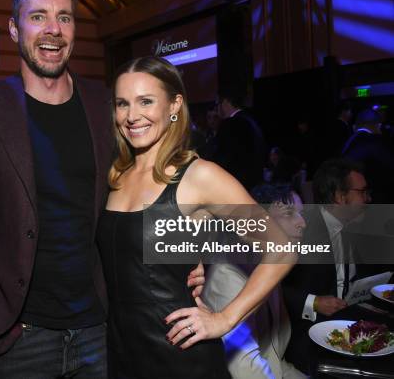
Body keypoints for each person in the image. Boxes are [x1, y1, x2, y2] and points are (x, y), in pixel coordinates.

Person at [0, 0, 206, 378]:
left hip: (102, 324)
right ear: (14, 29)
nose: (53, 29)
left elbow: (149, 184)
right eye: (37, 16)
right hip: (18, 332)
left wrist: (186, 246)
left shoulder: (106, 104)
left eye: (65, 17)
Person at [97, 56, 295, 379]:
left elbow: (282, 248)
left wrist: (225, 318)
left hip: (180, 358)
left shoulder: (200, 176)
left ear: (174, 105)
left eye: (146, 101)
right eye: (122, 104)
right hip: (120, 354)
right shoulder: (116, 174)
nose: (132, 116)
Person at [203, 183, 307, 379]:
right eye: (289, 213)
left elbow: (275, 362)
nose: (302, 222)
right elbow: (247, 371)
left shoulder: (268, 269)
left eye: (302, 214)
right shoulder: (227, 278)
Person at [282, 158, 371, 373]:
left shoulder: (353, 226)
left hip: (346, 321)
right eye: (362, 192)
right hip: (306, 334)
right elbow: (272, 287)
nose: (369, 198)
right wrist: (313, 302)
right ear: (341, 197)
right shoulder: (301, 230)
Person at [212, 90, 267, 191]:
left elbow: (222, 158)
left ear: (226, 102)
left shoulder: (230, 124)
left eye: (217, 103)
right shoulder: (252, 122)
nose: (216, 109)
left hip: (236, 188)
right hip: (255, 188)